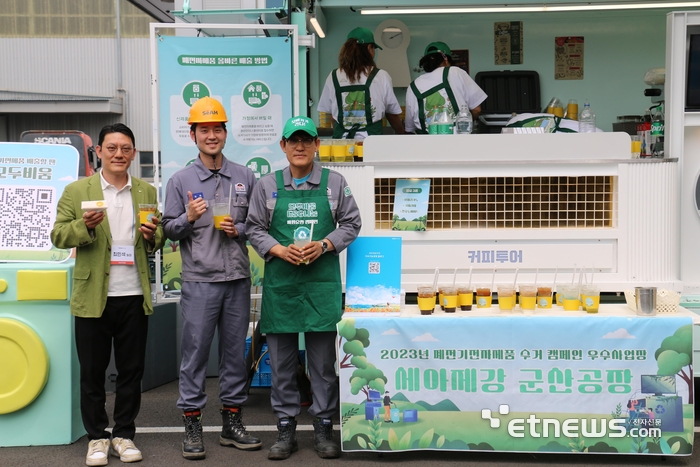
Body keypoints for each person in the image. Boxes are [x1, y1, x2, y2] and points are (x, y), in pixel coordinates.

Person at [246, 116, 362, 460]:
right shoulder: (267, 185)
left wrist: (325, 244)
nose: (299, 146)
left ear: (317, 145)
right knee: (281, 363)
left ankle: (324, 426)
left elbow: (352, 222)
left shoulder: (334, 183)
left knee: (323, 364)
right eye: (293, 140)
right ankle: (285, 428)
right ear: (283, 146)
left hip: (320, 284)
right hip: (282, 285)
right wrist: (279, 249)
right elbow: (253, 227)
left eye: (306, 140)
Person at [50, 123, 165, 466]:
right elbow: (58, 235)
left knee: (131, 371)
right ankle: (97, 437)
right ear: (98, 151)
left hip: (133, 294)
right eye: (111, 148)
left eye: (125, 148)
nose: (119, 154)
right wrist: (83, 226)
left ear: (133, 152)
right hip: (92, 295)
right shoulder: (76, 190)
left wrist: (152, 235)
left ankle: (124, 435)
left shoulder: (145, 191)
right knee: (92, 372)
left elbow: (157, 239)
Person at [161, 97, 260, 460]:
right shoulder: (181, 180)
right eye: (205, 130)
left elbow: (258, 225)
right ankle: (192, 423)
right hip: (199, 281)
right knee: (195, 355)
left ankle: (232, 423)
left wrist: (241, 230)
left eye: (217, 129)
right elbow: (169, 230)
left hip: (236, 279)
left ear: (225, 133)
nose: (212, 135)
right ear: (193, 134)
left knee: (235, 355)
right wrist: (187, 216)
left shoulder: (245, 176)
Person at [318, 26, 405, 139]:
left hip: (341, 145)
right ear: (369, 48)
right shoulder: (381, 76)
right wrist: (402, 134)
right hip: (372, 144)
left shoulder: (333, 76)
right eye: (374, 48)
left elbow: (332, 116)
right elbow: (392, 114)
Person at [405, 41, 488, 134]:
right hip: (457, 142)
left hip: (426, 145)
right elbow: (477, 109)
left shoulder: (413, 86)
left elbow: (409, 127)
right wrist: (465, 125)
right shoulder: (455, 72)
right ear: (446, 59)